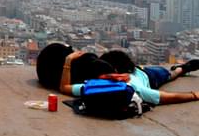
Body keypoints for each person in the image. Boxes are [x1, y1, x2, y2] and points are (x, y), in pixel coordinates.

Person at [60, 51, 199, 106]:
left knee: (169, 75)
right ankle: (181, 69)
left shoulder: (93, 85)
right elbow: (166, 97)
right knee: (168, 74)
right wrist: (193, 95)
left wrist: (68, 61)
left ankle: (182, 68)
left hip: (145, 75)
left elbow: (63, 87)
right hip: (145, 75)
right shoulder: (131, 85)